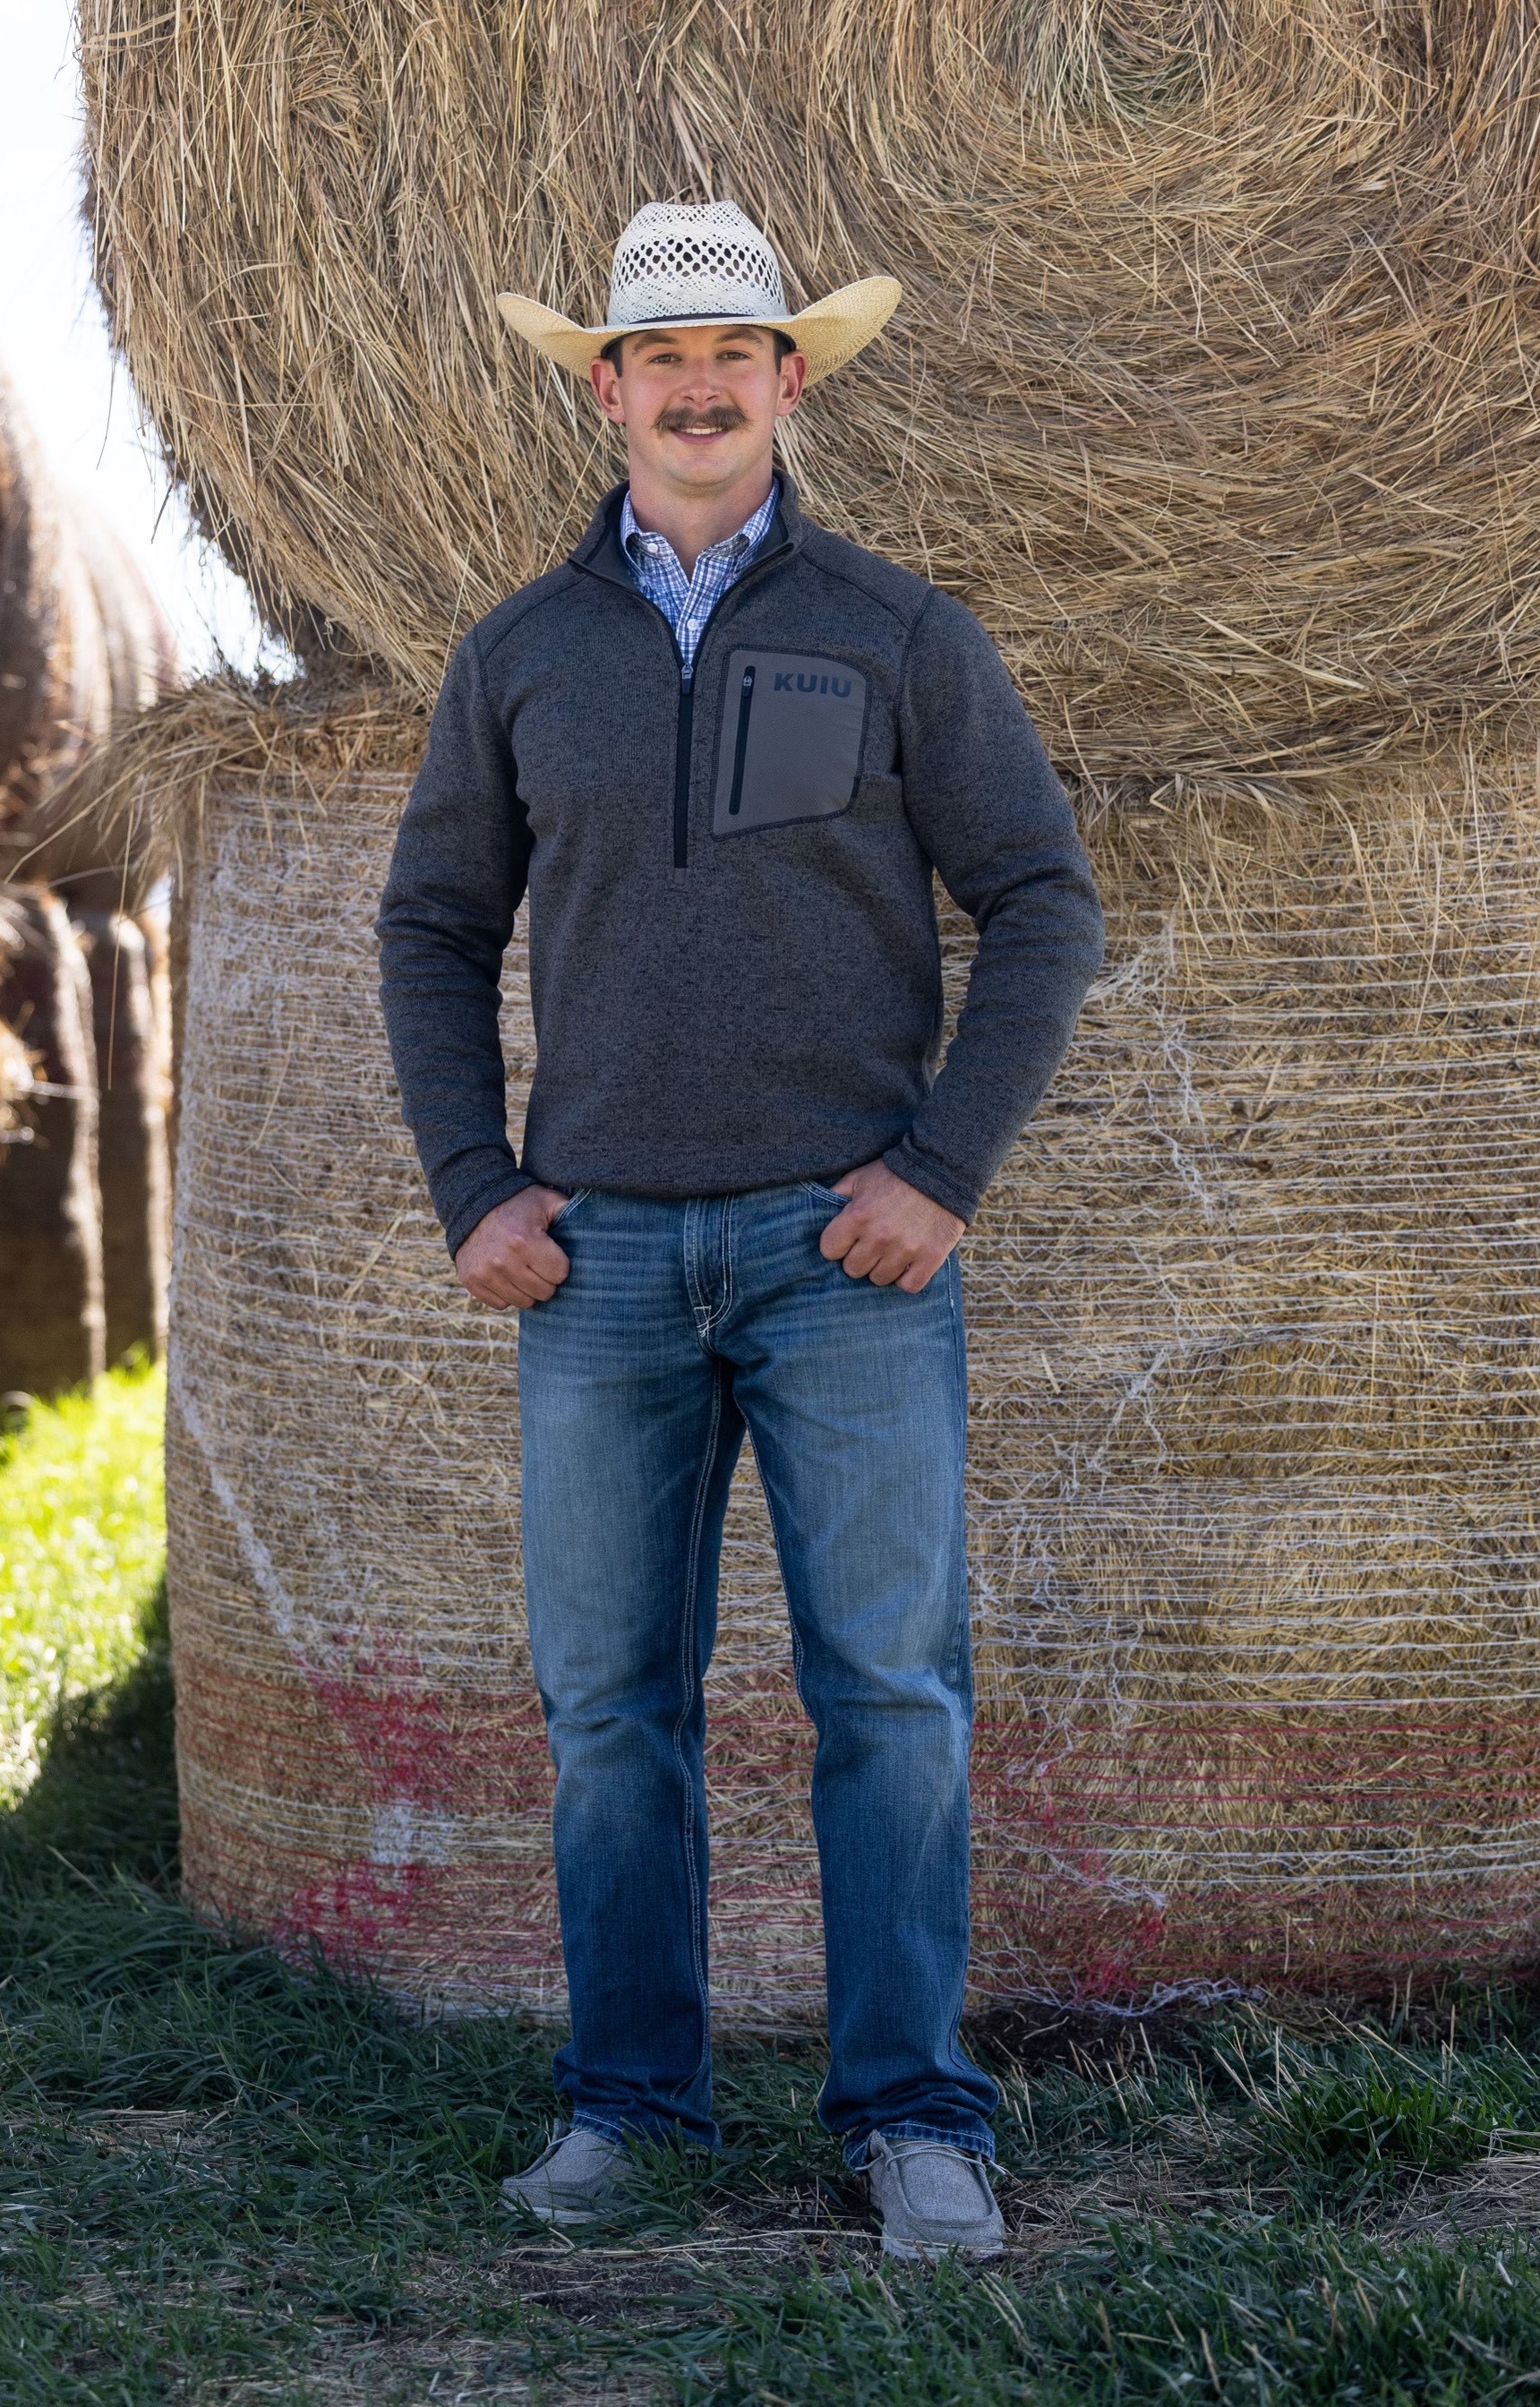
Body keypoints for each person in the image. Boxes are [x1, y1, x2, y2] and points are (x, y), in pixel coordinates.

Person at [376, 200, 1104, 2262]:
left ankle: (914, 2120)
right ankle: (633, 2108)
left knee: (890, 1691)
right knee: (614, 1707)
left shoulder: (896, 630)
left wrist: (941, 1172)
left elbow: (1044, 904)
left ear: (794, 382)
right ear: (603, 390)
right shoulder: (520, 656)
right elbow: (430, 927)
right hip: (595, 1266)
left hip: (842, 1251)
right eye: (658, 362)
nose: (697, 391)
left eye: (736, 358)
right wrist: (472, 1186)